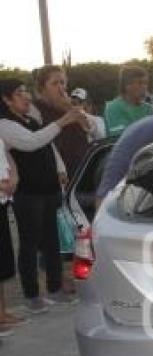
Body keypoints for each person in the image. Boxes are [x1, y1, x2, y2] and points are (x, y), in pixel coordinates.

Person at [0, 79, 86, 313]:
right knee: (29, 244)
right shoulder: (5, 124)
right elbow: (32, 142)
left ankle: (55, 289)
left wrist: (59, 168)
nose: (26, 96)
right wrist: (63, 120)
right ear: (6, 99)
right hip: (28, 193)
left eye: (27, 91)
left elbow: (49, 145)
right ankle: (31, 296)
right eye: (19, 93)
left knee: (52, 241)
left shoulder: (31, 118)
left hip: (48, 189)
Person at [32, 65, 90, 179]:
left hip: (81, 172)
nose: (60, 88)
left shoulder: (69, 106)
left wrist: (72, 109)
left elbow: (89, 129)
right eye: (54, 83)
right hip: (55, 175)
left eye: (62, 83)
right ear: (42, 88)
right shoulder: (34, 110)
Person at [0, 139, 25, 335]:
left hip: (2, 200)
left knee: (2, 259)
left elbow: (7, 157)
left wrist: (13, 178)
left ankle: (2, 312)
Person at [104, 66, 153, 137]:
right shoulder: (113, 108)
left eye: (145, 83)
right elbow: (121, 137)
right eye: (140, 83)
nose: (144, 87)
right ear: (127, 85)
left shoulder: (149, 108)